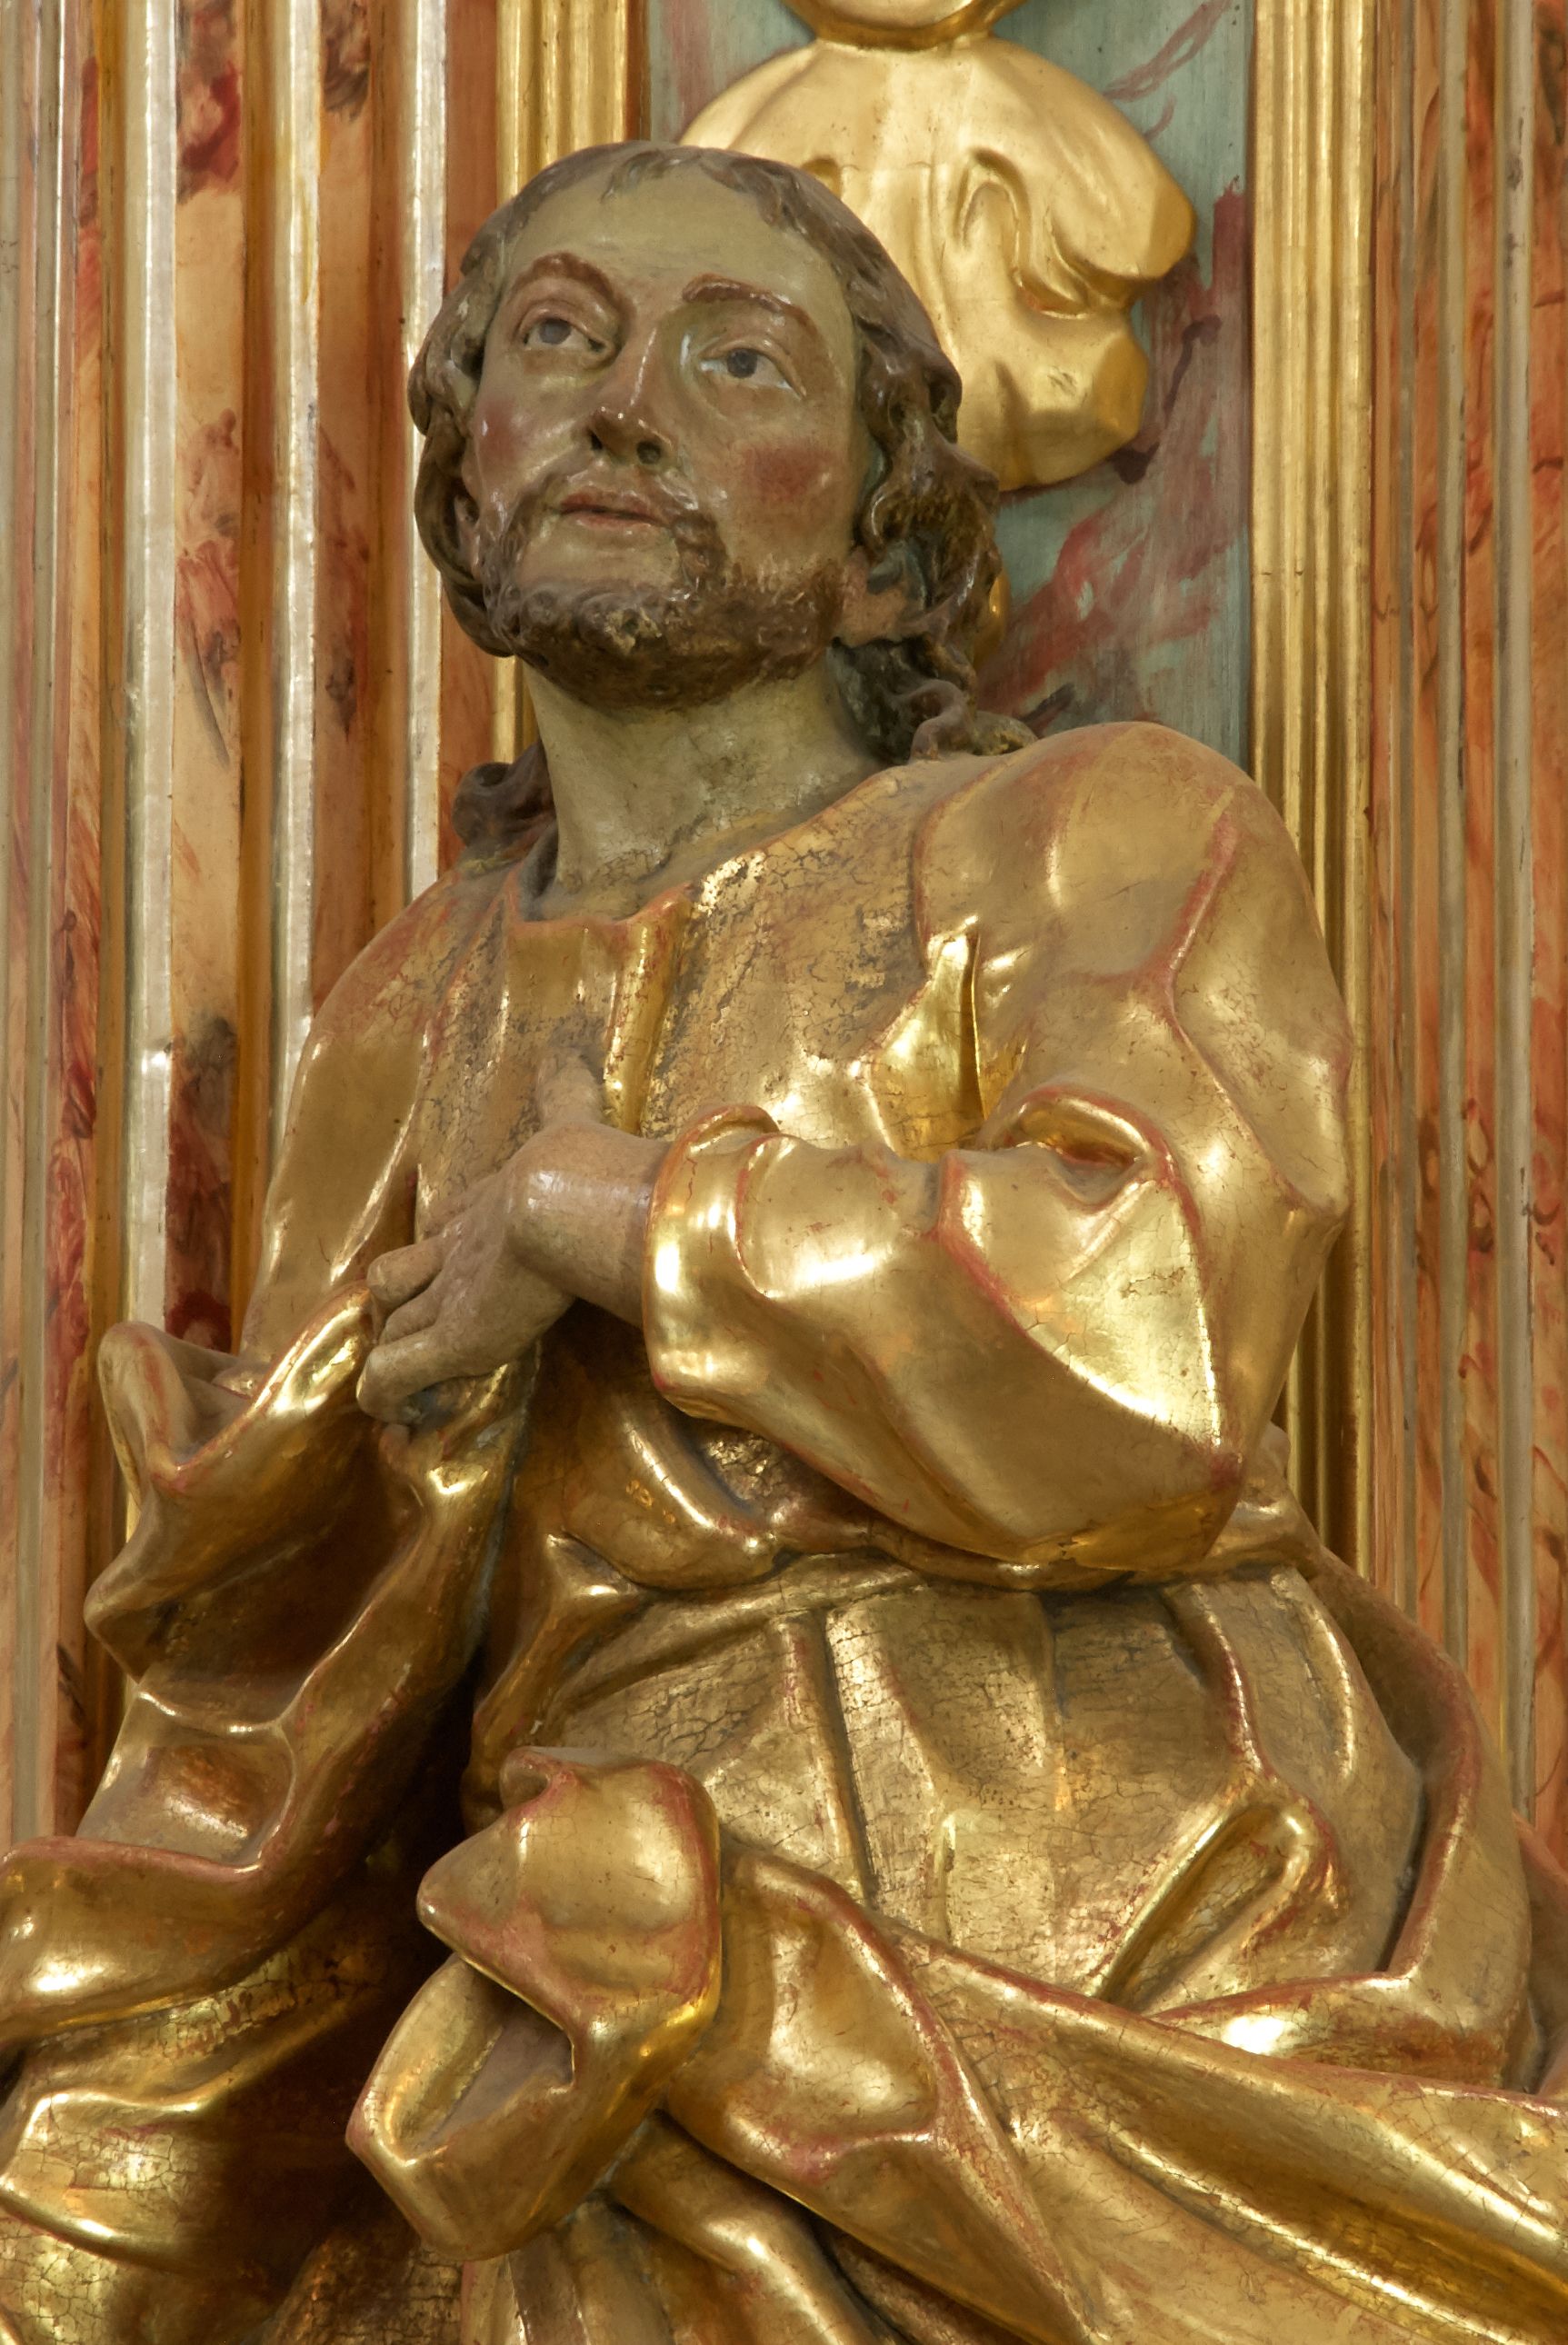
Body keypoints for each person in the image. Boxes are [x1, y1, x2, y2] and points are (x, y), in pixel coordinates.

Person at [0, 142, 1564, 2344]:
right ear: (464, 473)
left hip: (1121, 1945)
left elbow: (1142, 1346)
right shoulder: (396, 1019)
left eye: (735, 361)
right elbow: (294, 1715)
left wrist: (618, 1212)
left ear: (876, 539)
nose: (625, 405)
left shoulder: (1082, 832)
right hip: (602, 1993)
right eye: (558, 339)